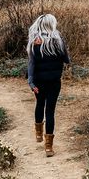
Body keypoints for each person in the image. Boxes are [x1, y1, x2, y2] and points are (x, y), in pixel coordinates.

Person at [27, 13, 70, 156]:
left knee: (39, 104)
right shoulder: (58, 41)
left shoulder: (34, 42)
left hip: (39, 82)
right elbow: (66, 60)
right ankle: (48, 147)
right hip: (54, 81)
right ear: (52, 24)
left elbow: (31, 63)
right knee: (50, 111)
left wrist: (31, 82)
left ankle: (38, 133)